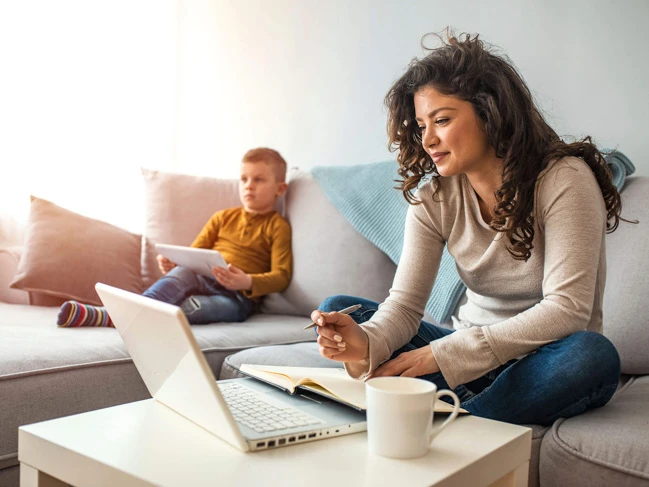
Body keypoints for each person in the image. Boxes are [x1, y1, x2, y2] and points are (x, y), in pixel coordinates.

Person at [310, 32, 625, 426]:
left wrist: (444, 356)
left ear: (491, 113)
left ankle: (453, 418)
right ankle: (467, 407)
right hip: (463, 357)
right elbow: (405, 307)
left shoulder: (564, 180)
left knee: (591, 356)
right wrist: (366, 342)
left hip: (541, 361)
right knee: (338, 310)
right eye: (422, 124)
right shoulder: (434, 199)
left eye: (442, 120)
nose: (427, 139)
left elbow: (568, 310)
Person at [57, 147, 292, 327]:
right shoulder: (223, 217)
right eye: (244, 179)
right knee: (180, 274)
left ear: (279, 189)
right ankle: (116, 315)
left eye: (258, 179)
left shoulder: (277, 226)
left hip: (237, 300)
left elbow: (282, 276)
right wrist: (174, 263)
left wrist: (247, 282)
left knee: (191, 309)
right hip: (200, 279)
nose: (249, 186)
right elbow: (194, 254)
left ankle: (123, 318)